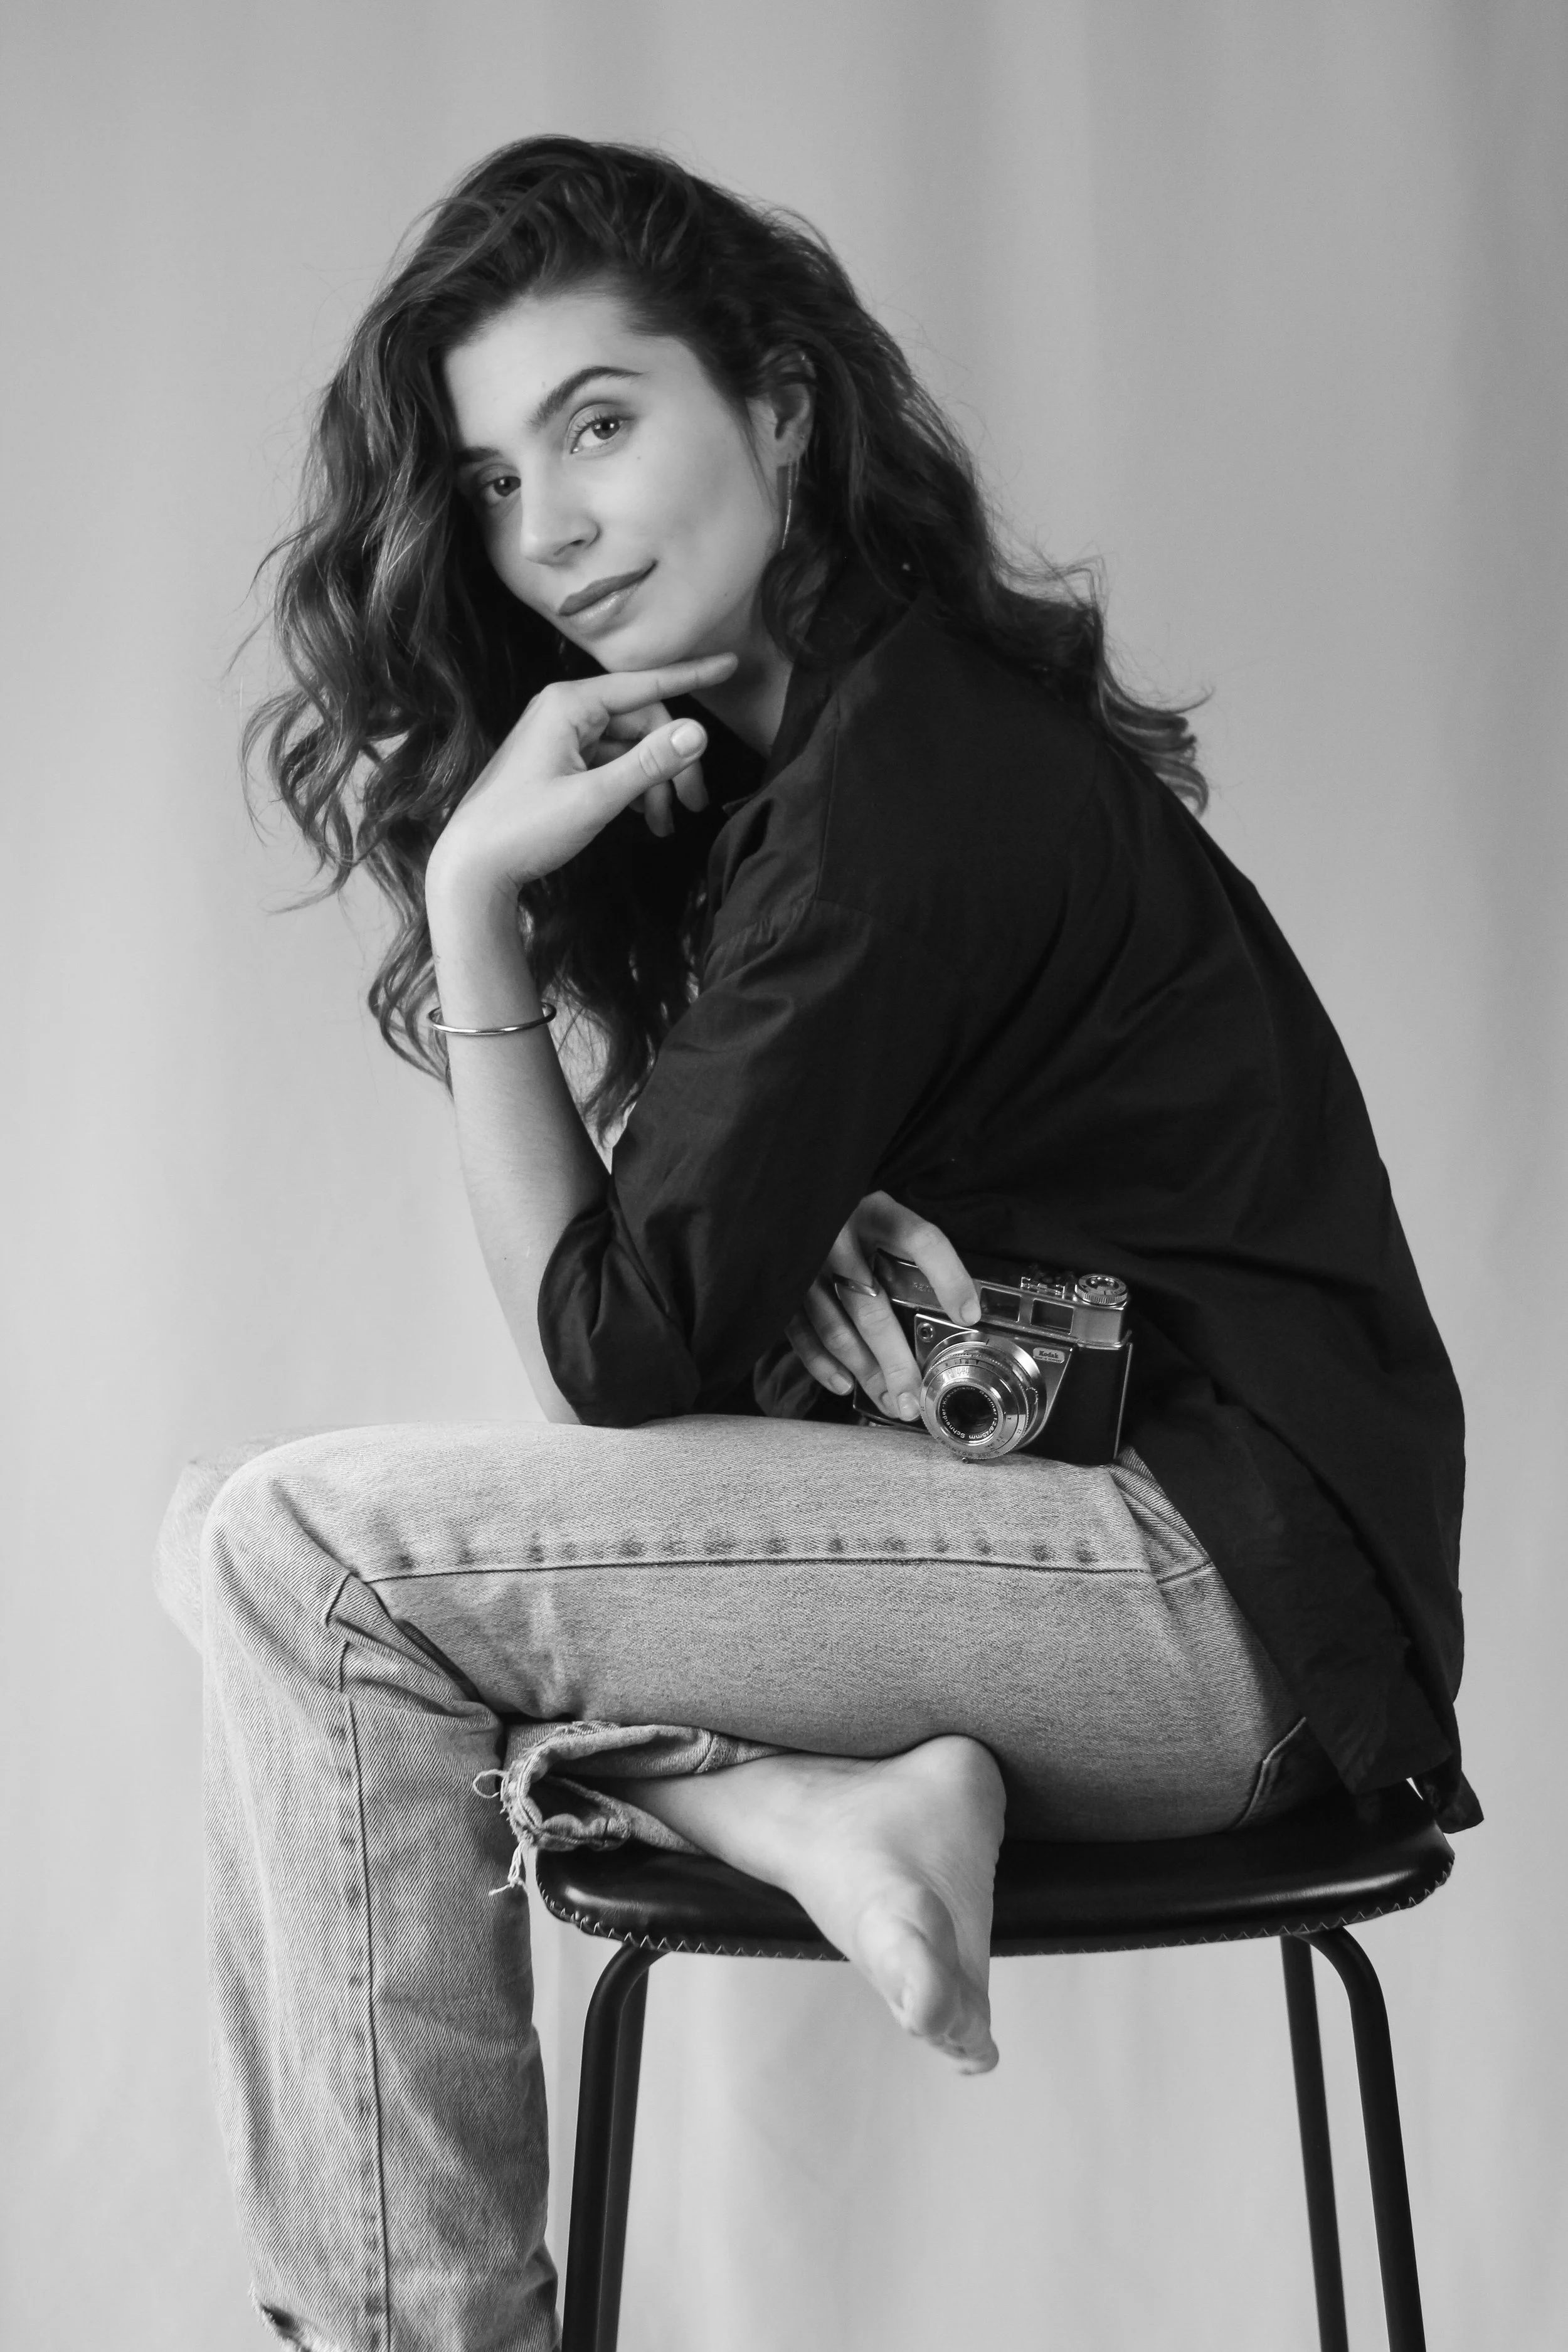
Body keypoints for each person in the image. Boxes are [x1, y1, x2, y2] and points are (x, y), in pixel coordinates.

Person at [155, 135, 1475, 2352]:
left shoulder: (892, 787)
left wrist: (475, 904)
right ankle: (810, 1803)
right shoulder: (800, 780)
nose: (545, 525)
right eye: (487, 481)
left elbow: (614, 1340)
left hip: (1214, 1602)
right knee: (236, 1546)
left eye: (598, 422)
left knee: (306, 1562)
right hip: (1127, 1548)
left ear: (772, 412)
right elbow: (682, 1340)